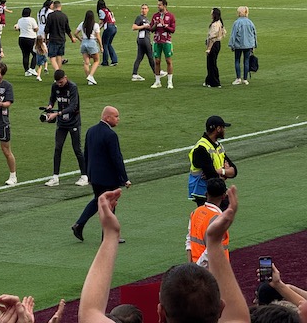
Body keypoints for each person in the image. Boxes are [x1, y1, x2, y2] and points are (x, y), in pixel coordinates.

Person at [78, 186, 250, 323]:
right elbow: (239, 317)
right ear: (221, 308)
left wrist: (110, 235)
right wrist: (214, 242)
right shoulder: (235, 316)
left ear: (160, 313)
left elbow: (89, 313)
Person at [72, 106, 131, 242]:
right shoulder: (111, 135)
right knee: (110, 203)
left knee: (98, 200)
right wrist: (124, 178)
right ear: (107, 117)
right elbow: (116, 158)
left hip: (95, 175)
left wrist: (87, 173)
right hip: (108, 177)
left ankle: (79, 224)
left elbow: (86, 153)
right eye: (116, 116)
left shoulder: (91, 131)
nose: (118, 119)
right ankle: (108, 236)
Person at [43, 70, 88, 187]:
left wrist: (57, 114)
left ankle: (84, 176)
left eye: (61, 82)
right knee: (58, 148)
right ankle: (55, 177)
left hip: (73, 122)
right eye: (57, 82)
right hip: (62, 123)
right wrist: (49, 106)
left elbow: (73, 106)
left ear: (65, 78)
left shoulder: (72, 87)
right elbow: (52, 99)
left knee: (77, 149)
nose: (59, 84)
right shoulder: (55, 87)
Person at [188, 115, 237, 205]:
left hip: (216, 190)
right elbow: (211, 175)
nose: (224, 130)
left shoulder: (218, 146)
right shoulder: (201, 148)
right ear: (218, 129)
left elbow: (234, 170)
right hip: (204, 194)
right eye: (223, 128)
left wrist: (221, 172)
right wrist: (225, 173)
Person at [186, 177, 229, 268]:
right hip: (214, 271)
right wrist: (197, 268)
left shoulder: (195, 212)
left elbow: (189, 241)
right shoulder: (219, 220)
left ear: (206, 193)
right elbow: (211, 250)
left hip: (196, 268)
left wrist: (191, 266)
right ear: (224, 196)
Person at [149, 0, 176, 89]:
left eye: (159, 5)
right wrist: (155, 25)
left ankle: (169, 81)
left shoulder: (170, 16)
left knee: (168, 60)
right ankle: (157, 81)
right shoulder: (155, 16)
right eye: (158, 5)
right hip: (157, 41)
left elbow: (173, 30)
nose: (158, 6)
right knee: (157, 61)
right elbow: (151, 29)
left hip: (167, 41)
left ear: (164, 5)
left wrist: (165, 26)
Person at [228, 6, 257, 86]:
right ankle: (245, 79)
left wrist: (231, 44)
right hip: (248, 45)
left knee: (237, 60)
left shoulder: (237, 22)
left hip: (239, 45)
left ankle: (238, 78)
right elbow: (254, 34)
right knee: (246, 61)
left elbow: (233, 35)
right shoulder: (250, 22)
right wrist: (254, 45)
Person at [131, 4, 161, 82]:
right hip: (144, 40)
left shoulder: (146, 19)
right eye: (142, 8)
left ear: (148, 10)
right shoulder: (139, 18)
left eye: (145, 8)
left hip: (144, 39)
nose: (144, 10)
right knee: (150, 56)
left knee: (139, 57)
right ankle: (157, 73)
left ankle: (135, 74)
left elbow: (151, 29)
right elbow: (134, 27)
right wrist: (144, 26)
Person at [45, 1, 76, 70]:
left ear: (53, 6)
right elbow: (68, 30)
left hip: (53, 39)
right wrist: (72, 38)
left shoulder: (50, 16)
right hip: (62, 39)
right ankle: (59, 74)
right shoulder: (64, 16)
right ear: (60, 6)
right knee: (59, 56)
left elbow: (46, 29)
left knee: (52, 57)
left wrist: (45, 38)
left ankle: (57, 72)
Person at [74, 10, 102, 85]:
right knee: (96, 60)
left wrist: (81, 40)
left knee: (86, 62)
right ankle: (91, 75)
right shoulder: (95, 25)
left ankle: (89, 80)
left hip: (84, 43)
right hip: (92, 42)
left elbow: (75, 33)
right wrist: (101, 47)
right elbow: (98, 37)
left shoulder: (82, 24)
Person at [204, 8, 226, 88]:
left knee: (211, 64)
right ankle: (209, 80)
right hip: (217, 44)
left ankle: (215, 82)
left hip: (213, 44)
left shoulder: (214, 25)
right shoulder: (220, 23)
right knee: (212, 63)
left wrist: (209, 48)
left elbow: (212, 38)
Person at [14, 7, 38, 76]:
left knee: (25, 55)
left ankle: (26, 71)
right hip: (31, 38)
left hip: (21, 38)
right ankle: (32, 68)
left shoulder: (20, 20)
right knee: (35, 54)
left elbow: (17, 28)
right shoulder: (31, 20)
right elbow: (36, 28)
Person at [97, 0, 118, 67]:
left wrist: (96, 28)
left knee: (104, 44)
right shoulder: (108, 10)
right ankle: (114, 60)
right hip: (114, 27)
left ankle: (105, 62)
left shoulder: (101, 11)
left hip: (108, 27)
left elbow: (101, 21)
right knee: (109, 44)